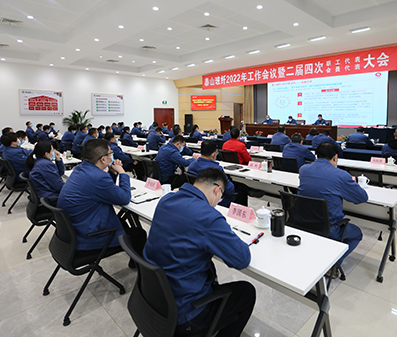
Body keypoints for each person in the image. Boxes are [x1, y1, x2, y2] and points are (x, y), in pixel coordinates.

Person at [143, 167, 255, 336]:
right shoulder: (208, 217)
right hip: (185, 313)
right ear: (217, 190)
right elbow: (242, 259)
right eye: (221, 195)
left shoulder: (167, 199)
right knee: (246, 292)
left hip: (155, 297)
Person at [57, 139, 144, 252]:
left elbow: (104, 190)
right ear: (103, 159)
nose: (112, 156)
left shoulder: (80, 168)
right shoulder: (98, 177)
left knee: (122, 222)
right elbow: (124, 198)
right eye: (110, 153)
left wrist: (112, 173)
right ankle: (137, 260)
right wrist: (122, 173)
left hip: (76, 229)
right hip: (89, 236)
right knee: (139, 234)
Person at [299, 142, 368, 264]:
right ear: (335, 157)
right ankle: (333, 264)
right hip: (329, 228)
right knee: (357, 234)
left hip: (302, 222)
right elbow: (362, 198)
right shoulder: (341, 175)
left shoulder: (303, 170)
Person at [187, 140, 247, 206]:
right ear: (214, 154)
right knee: (242, 192)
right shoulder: (216, 169)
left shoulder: (192, 165)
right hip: (214, 199)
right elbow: (229, 189)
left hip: (198, 196)